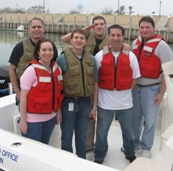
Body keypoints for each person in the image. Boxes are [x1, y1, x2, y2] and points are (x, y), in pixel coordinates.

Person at [94, 24, 141, 164]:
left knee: (128, 131)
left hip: (125, 103)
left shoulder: (131, 56)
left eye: (118, 35)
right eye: (112, 35)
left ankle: (129, 152)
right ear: (108, 36)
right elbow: (96, 80)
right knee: (101, 133)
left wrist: (125, 89)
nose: (115, 38)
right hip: (105, 103)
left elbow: (135, 78)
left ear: (123, 37)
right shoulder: (99, 56)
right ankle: (100, 154)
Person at [61, 15, 108, 152]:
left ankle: (93, 148)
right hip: (79, 88)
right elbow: (65, 39)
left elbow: (120, 45)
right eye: (96, 24)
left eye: (101, 24)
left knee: (95, 123)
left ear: (105, 26)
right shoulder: (86, 38)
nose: (99, 26)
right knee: (73, 131)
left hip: (100, 85)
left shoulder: (111, 39)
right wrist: (84, 30)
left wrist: (125, 45)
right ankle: (84, 149)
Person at [131, 16, 173, 158]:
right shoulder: (134, 43)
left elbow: (167, 73)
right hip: (135, 88)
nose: (144, 30)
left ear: (153, 28)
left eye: (147, 27)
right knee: (134, 118)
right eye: (142, 27)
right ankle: (134, 143)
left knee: (149, 121)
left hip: (152, 88)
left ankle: (146, 147)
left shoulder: (162, 46)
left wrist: (161, 93)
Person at [56, 29, 98, 159]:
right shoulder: (61, 59)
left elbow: (95, 83)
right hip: (68, 103)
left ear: (85, 41)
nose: (79, 40)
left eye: (82, 38)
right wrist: (58, 109)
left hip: (86, 103)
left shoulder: (92, 59)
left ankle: (81, 161)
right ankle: (67, 162)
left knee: (82, 136)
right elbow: (57, 86)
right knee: (66, 136)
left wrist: (94, 107)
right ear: (71, 40)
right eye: (76, 38)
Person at [19, 38, 63, 144]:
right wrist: (23, 121)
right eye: (44, 50)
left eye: (50, 50)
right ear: (38, 52)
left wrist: (58, 112)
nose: (47, 53)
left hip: (51, 118)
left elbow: (58, 93)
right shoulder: (31, 70)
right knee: (32, 150)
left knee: (45, 146)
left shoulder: (58, 69)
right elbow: (23, 97)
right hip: (33, 122)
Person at [9, 17, 45, 108]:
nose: (36, 29)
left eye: (39, 27)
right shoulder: (20, 47)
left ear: (43, 29)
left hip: (44, 93)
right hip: (25, 94)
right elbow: (12, 69)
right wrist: (17, 92)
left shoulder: (50, 47)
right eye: (33, 27)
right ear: (29, 30)